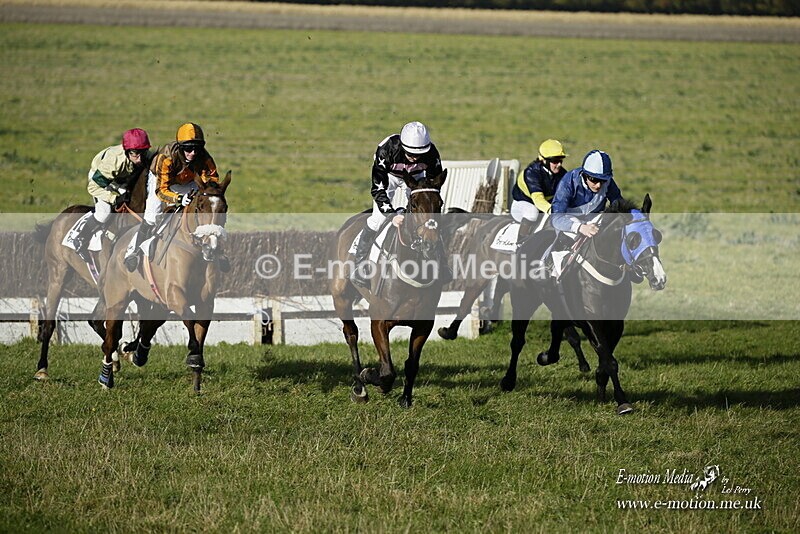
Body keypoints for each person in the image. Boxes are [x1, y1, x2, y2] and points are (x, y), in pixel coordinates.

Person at [351, 121, 443, 289]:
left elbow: (433, 188)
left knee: (430, 221)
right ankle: (360, 266)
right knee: (377, 220)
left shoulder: (432, 154)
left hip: (416, 179)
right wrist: (392, 215)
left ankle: (442, 265)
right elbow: (377, 190)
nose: (415, 157)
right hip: (389, 177)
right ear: (402, 146)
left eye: (419, 154)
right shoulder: (386, 150)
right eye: (411, 153)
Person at [124, 122, 219, 272]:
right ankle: (134, 252)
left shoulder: (204, 157)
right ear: (181, 147)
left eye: (197, 148)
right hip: (163, 182)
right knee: (152, 216)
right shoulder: (165, 157)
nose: (193, 152)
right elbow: (161, 191)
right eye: (188, 148)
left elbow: (212, 180)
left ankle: (215, 249)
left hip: (188, 181)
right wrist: (178, 199)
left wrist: (208, 193)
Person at [73, 128, 154, 258]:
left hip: (121, 179)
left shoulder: (146, 156)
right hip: (101, 179)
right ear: (127, 152)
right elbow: (93, 187)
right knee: (104, 212)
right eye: (135, 154)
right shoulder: (114, 161)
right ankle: (80, 237)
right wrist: (114, 198)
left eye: (142, 153)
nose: (139, 159)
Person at [550, 149, 623, 239]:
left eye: (603, 180)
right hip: (569, 220)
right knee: (573, 236)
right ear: (584, 175)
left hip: (595, 218)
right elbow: (556, 218)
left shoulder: (608, 182)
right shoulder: (568, 182)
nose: (598, 185)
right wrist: (580, 227)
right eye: (594, 180)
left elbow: (620, 205)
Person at [510, 139, 567, 246]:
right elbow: (538, 200)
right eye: (555, 161)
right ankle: (520, 242)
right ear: (544, 160)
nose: (559, 165)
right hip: (523, 204)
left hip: (545, 205)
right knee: (532, 212)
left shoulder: (562, 174)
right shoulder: (531, 173)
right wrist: (553, 210)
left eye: (561, 161)